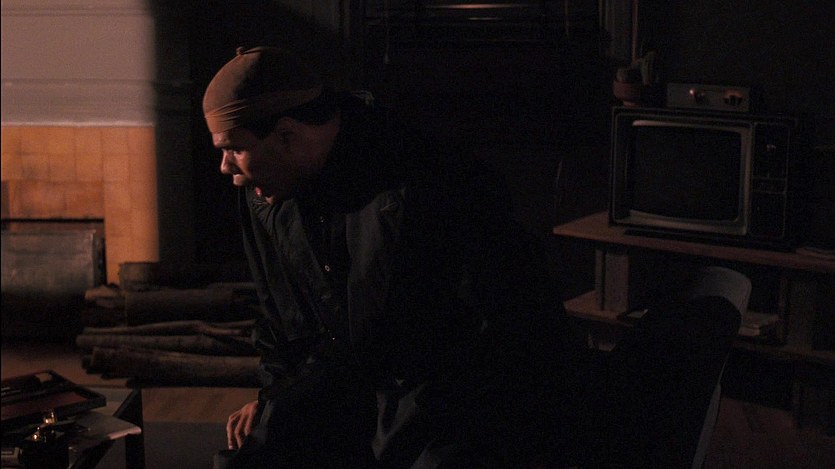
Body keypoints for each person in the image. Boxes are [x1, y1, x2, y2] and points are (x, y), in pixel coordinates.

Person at [202, 46, 580, 468]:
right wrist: (274, 398)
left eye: (234, 149)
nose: (225, 168)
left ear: (287, 135)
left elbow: (493, 334)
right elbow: (279, 318)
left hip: (450, 392)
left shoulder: (427, 177)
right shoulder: (266, 188)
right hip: (346, 380)